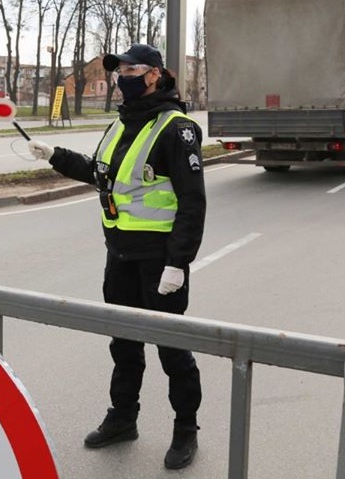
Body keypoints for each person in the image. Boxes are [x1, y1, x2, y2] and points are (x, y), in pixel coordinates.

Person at [26, 43, 206, 470]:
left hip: (159, 261)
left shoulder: (175, 128)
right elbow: (101, 174)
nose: (120, 75)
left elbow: (192, 203)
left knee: (171, 349)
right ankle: (123, 418)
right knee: (123, 344)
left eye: (130, 68)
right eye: (118, 69)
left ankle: (186, 429)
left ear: (154, 76)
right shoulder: (121, 124)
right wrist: (55, 156)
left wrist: (178, 263)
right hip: (120, 255)